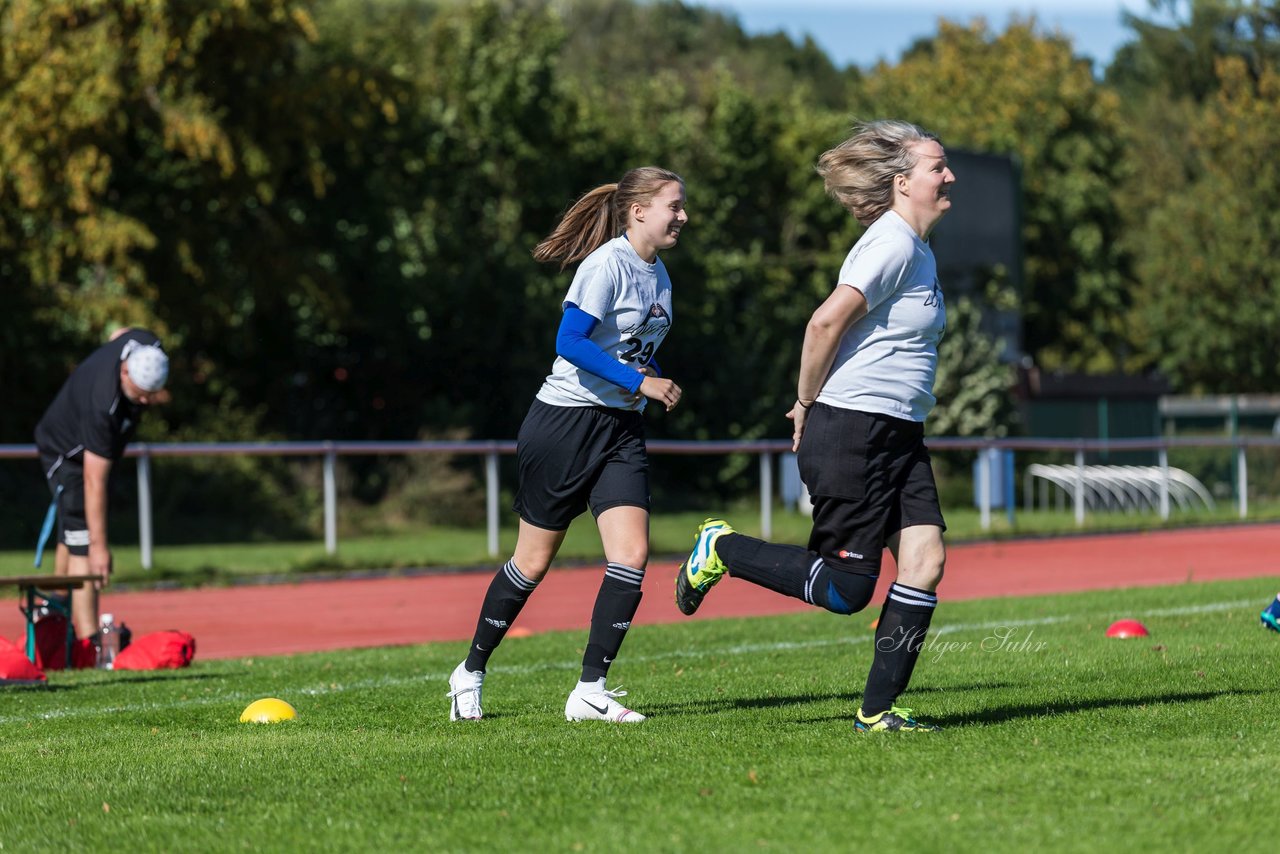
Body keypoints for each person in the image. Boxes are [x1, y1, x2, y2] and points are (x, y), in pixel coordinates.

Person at [674, 120, 955, 733]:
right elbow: (823, 324)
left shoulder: (918, 248)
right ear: (904, 183)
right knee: (847, 590)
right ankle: (718, 548)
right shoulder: (894, 245)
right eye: (938, 166)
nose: (949, 175)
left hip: (899, 435)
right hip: (853, 430)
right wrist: (805, 403)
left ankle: (876, 715)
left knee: (925, 559)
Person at [447, 167, 686, 723]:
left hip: (621, 429)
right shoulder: (605, 264)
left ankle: (589, 691)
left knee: (631, 555)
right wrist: (640, 381)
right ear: (639, 211)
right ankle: (471, 670)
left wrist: (649, 374)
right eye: (674, 205)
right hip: (564, 424)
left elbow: (625, 348)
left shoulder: (661, 275)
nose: (682, 216)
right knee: (531, 563)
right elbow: (569, 341)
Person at [34, 328, 170, 643]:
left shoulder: (148, 345)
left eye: (152, 393)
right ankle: (89, 641)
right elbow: (94, 480)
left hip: (87, 445)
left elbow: (118, 332)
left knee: (70, 531)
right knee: (82, 536)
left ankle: (53, 607)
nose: (147, 401)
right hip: (66, 452)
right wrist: (100, 548)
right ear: (124, 371)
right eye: (140, 394)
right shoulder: (102, 406)